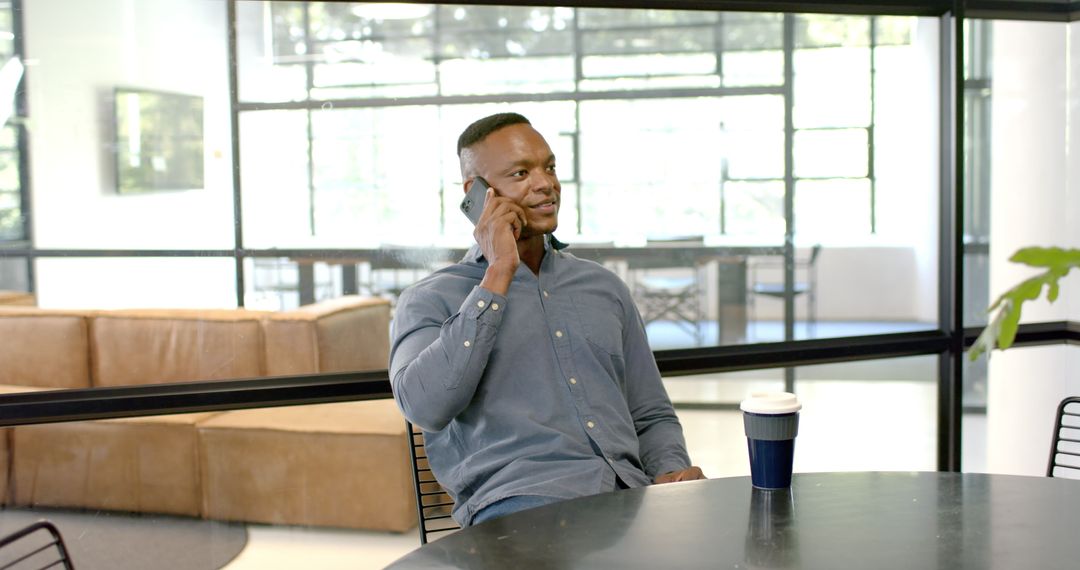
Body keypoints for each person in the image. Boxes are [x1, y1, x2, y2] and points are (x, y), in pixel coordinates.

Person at [389, 112, 704, 527]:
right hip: (519, 511)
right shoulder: (430, 299)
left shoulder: (603, 287)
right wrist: (498, 272)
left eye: (549, 167)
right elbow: (423, 405)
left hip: (629, 501)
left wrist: (669, 471)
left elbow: (650, 414)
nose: (545, 184)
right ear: (477, 193)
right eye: (521, 173)